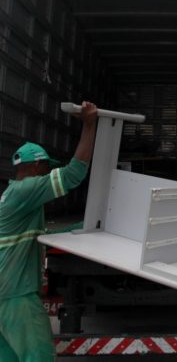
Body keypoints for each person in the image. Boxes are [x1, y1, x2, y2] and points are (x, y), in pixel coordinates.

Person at [0, 101, 98, 362]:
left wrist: (85, 226)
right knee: (39, 356)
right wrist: (89, 125)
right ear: (35, 166)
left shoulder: (14, 196)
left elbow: (39, 237)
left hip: (5, 296)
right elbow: (74, 174)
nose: (49, 172)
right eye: (47, 167)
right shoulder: (27, 189)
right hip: (16, 296)